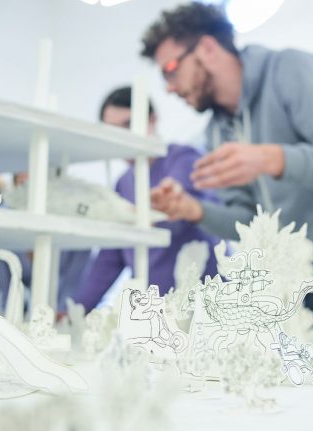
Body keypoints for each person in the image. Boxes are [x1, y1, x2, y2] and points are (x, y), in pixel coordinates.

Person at [142, 3, 313, 311]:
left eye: (170, 69)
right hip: (299, 278)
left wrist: (272, 159)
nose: (169, 88)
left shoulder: (290, 69)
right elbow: (249, 222)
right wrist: (195, 210)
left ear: (208, 49)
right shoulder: (218, 132)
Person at [72, 86, 220, 313]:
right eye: (112, 130)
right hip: (156, 313)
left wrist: (167, 200)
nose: (121, 137)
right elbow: (110, 257)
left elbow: (180, 198)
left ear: (152, 120)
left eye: (127, 125)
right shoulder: (123, 184)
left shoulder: (184, 158)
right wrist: (77, 309)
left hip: (207, 306)